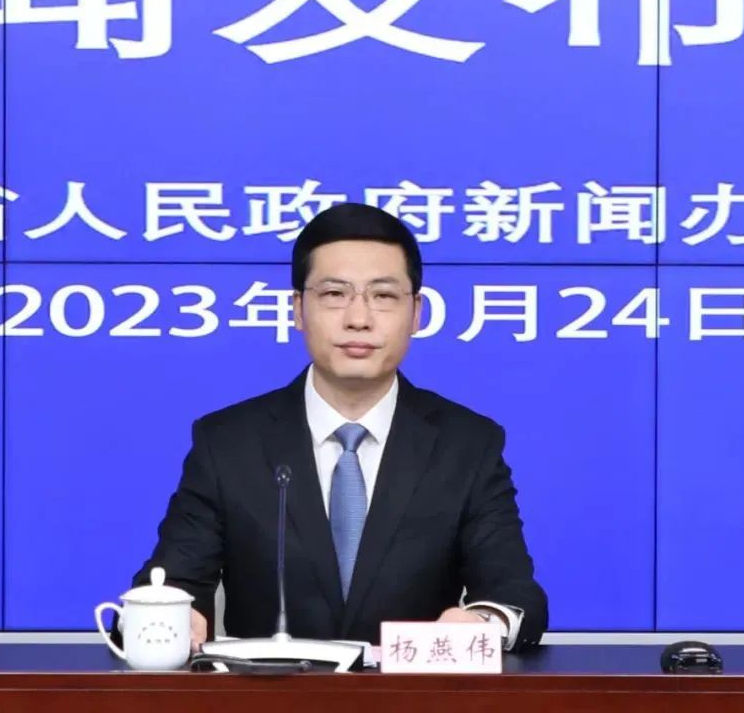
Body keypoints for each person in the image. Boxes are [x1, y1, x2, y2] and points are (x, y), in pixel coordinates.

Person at [123, 202, 547, 652]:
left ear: (416, 313)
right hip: (268, 690)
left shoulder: (467, 444)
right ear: (298, 309)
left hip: (411, 689)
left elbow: (515, 596)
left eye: (383, 296)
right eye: (334, 294)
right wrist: (169, 619)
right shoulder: (228, 443)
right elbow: (170, 581)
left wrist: (484, 621)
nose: (358, 318)